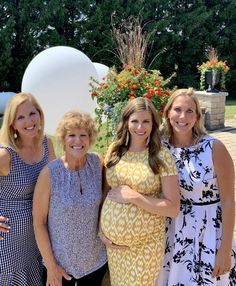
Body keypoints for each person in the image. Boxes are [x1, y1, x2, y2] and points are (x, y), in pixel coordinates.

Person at [156, 88, 236, 285]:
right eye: (177, 109)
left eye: (190, 111)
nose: (183, 116)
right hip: (172, 232)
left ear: (198, 116)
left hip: (208, 232)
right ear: (167, 113)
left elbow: (228, 201)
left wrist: (224, 249)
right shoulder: (159, 147)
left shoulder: (213, 147)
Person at [99, 97, 180, 286]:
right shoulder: (114, 151)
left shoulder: (161, 156)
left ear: (153, 124)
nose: (140, 127)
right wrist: (101, 229)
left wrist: (135, 197)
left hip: (146, 247)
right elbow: (105, 194)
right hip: (115, 248)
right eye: (135, 121)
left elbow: (173, 207)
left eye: (146, 121)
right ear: (126, 122)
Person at [33, 111, 107, 286]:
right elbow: (39, 222)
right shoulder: (50, 173)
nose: (78, 141)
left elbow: (105, 198)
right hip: (60, 266)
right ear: (63, 139)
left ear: (90, 138)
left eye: (83, 135)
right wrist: (51, 266)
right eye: (71, 135)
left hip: (95, 262)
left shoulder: (97, 163)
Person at [0, 92, 55, 285]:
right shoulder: (5, 155)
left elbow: (56, 183)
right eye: (20, 117)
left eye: (32, 113)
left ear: (39, 114)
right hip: (8, 242)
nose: (28, 121)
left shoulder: (47, 144)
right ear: (12, 124)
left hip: (38, 237)